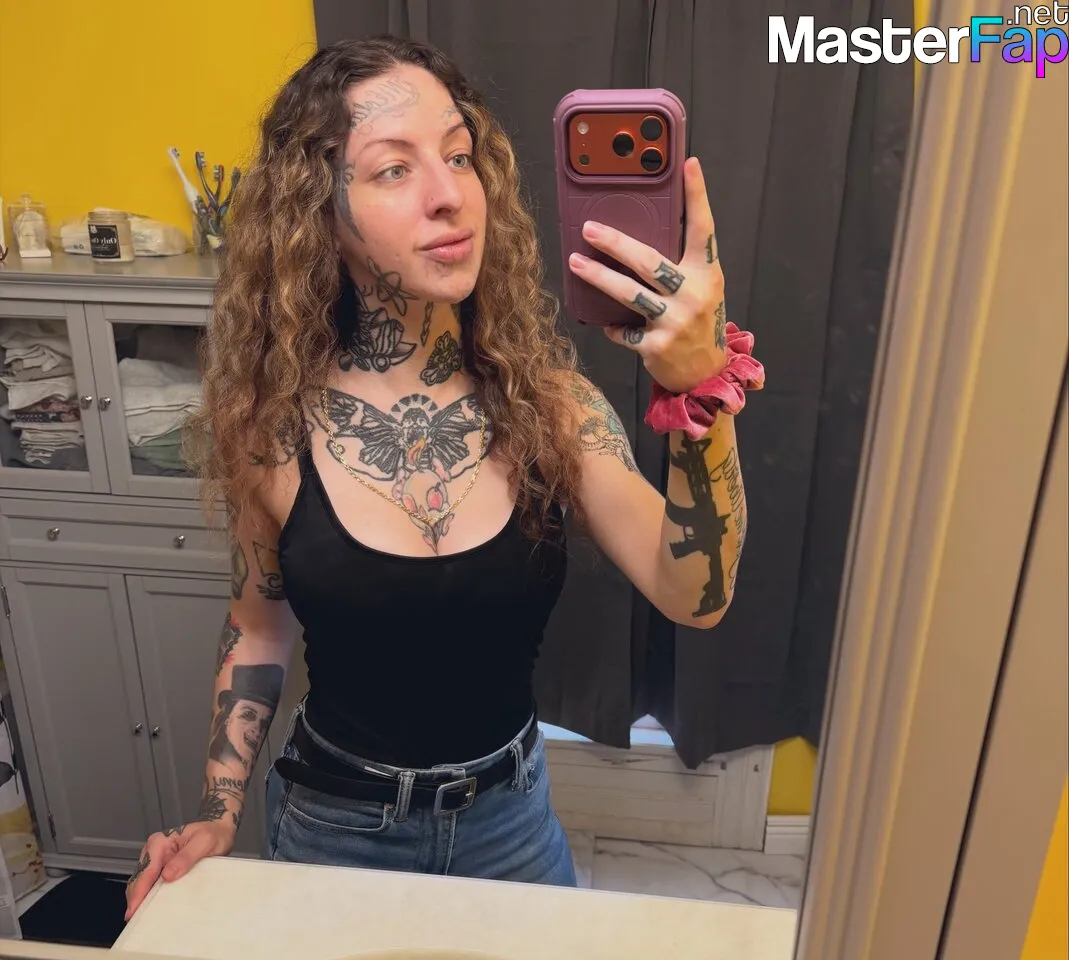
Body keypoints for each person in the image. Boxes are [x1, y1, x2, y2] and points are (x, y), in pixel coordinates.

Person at [124, 34, 757, 921]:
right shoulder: (270, 427)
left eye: (459, 157)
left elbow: (696, 594)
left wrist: (700, 393)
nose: (449, 194)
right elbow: (259, 626)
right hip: (333, 826)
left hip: (511, 825)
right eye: (394, 169)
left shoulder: (551, 407)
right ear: (317, 210)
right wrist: (217, 812)